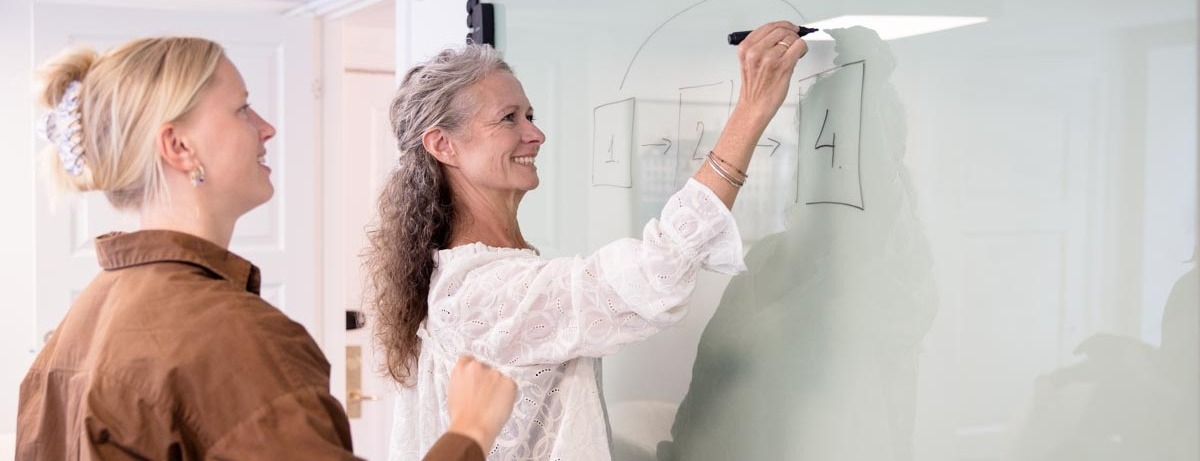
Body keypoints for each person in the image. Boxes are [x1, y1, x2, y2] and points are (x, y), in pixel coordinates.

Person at [17, 36, 517, 461]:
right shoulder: (225, 336)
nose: (266, 127)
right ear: (179, 147)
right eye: (241, 108)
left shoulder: (74, 330)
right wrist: (469, 430)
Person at [367, 21, 808, 460]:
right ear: (443, 145)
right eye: (508, 118)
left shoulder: (476, 278)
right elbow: (659, 270)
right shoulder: (482, 293)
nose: (535, 134)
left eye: (530, 116)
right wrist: (751, 109)